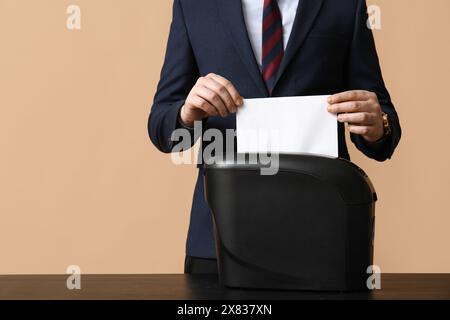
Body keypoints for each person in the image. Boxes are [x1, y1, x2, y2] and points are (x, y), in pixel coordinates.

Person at [148, 0, 401, 274]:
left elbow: (383, 118)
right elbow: (161, 126)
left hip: (323, 234)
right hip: (219, 237)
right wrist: (186, 113)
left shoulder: (344, 4)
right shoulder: (194, 5)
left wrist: (379, 125)